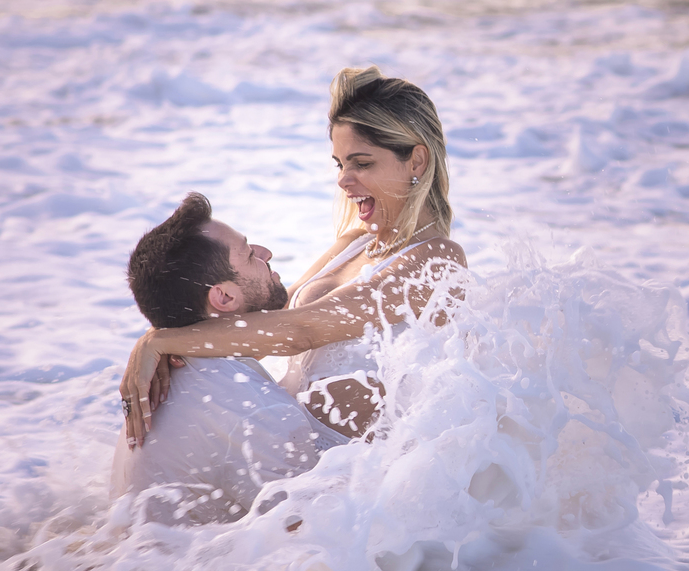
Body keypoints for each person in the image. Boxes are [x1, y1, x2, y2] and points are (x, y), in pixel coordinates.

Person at [120, 65, 467, 444]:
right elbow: (272, 317)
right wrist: (162, 333)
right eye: (340, 163)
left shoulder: (437, 261)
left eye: (362, 163)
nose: (343, 179)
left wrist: (162, 341)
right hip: (290, 453)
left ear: (416, 161)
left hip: (355, 481)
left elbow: (302, 331)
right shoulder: (355, 242)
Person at [111, 192, 347, 525]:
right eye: (250, 254)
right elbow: (316, 536)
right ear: (223, 296)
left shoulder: (171, 381)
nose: (267, 253)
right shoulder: (255, 410)